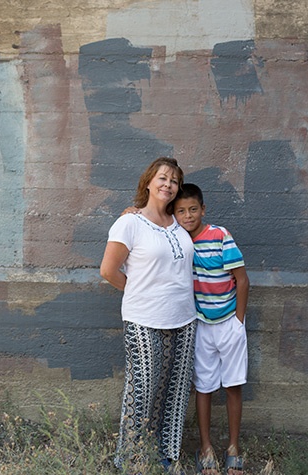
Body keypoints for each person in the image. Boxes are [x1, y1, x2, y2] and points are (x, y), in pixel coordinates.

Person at [100, 157, 197, 474]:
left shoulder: (179, 223)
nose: (168, 184)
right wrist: (140, 291)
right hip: (144, 319)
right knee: (142, 390)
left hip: (183, 319)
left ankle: (165, 458)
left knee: (174, 391)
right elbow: (108, 271)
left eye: (174, 180)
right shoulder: (130, 222)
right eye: (163, 178)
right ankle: (128, 461)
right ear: (148, 182)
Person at [173, 183, 249, 475]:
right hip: (201, 326)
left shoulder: (219, 236)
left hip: (229, 322)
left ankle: (233, 447)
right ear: (174, 214)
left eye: (193, 209)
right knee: (203, 387)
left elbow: (242, 279)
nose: (188, 216)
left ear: (203, 210)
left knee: (233, 385)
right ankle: (205, 448)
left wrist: (238, 322)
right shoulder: (177, 239)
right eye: (181, 211)